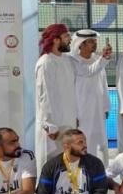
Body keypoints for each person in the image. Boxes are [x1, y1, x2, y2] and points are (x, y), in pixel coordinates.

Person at [36, 23, 111, 173]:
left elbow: (88, 71)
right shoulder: (46, 62)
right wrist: (49, 124)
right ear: (56, 40)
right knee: (51, 162)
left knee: (68, 162)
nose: (70, 39)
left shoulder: (67, 60)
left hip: (68, 121)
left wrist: (104, 58)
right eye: (66, 36)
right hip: (53, 125)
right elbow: (44, 96)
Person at [70, 29, 111, 165]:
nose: (94, 44)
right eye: (90, 42)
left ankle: (100, 168)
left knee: (99, 140)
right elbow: (88, 71)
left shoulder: (97, 60)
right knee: (83, 139)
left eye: (95, 41)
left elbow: (103, 84)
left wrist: (106, 106)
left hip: (98, 109)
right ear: (81, 44)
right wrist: (73, 113)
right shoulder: (73, 61)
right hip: (81, 109)